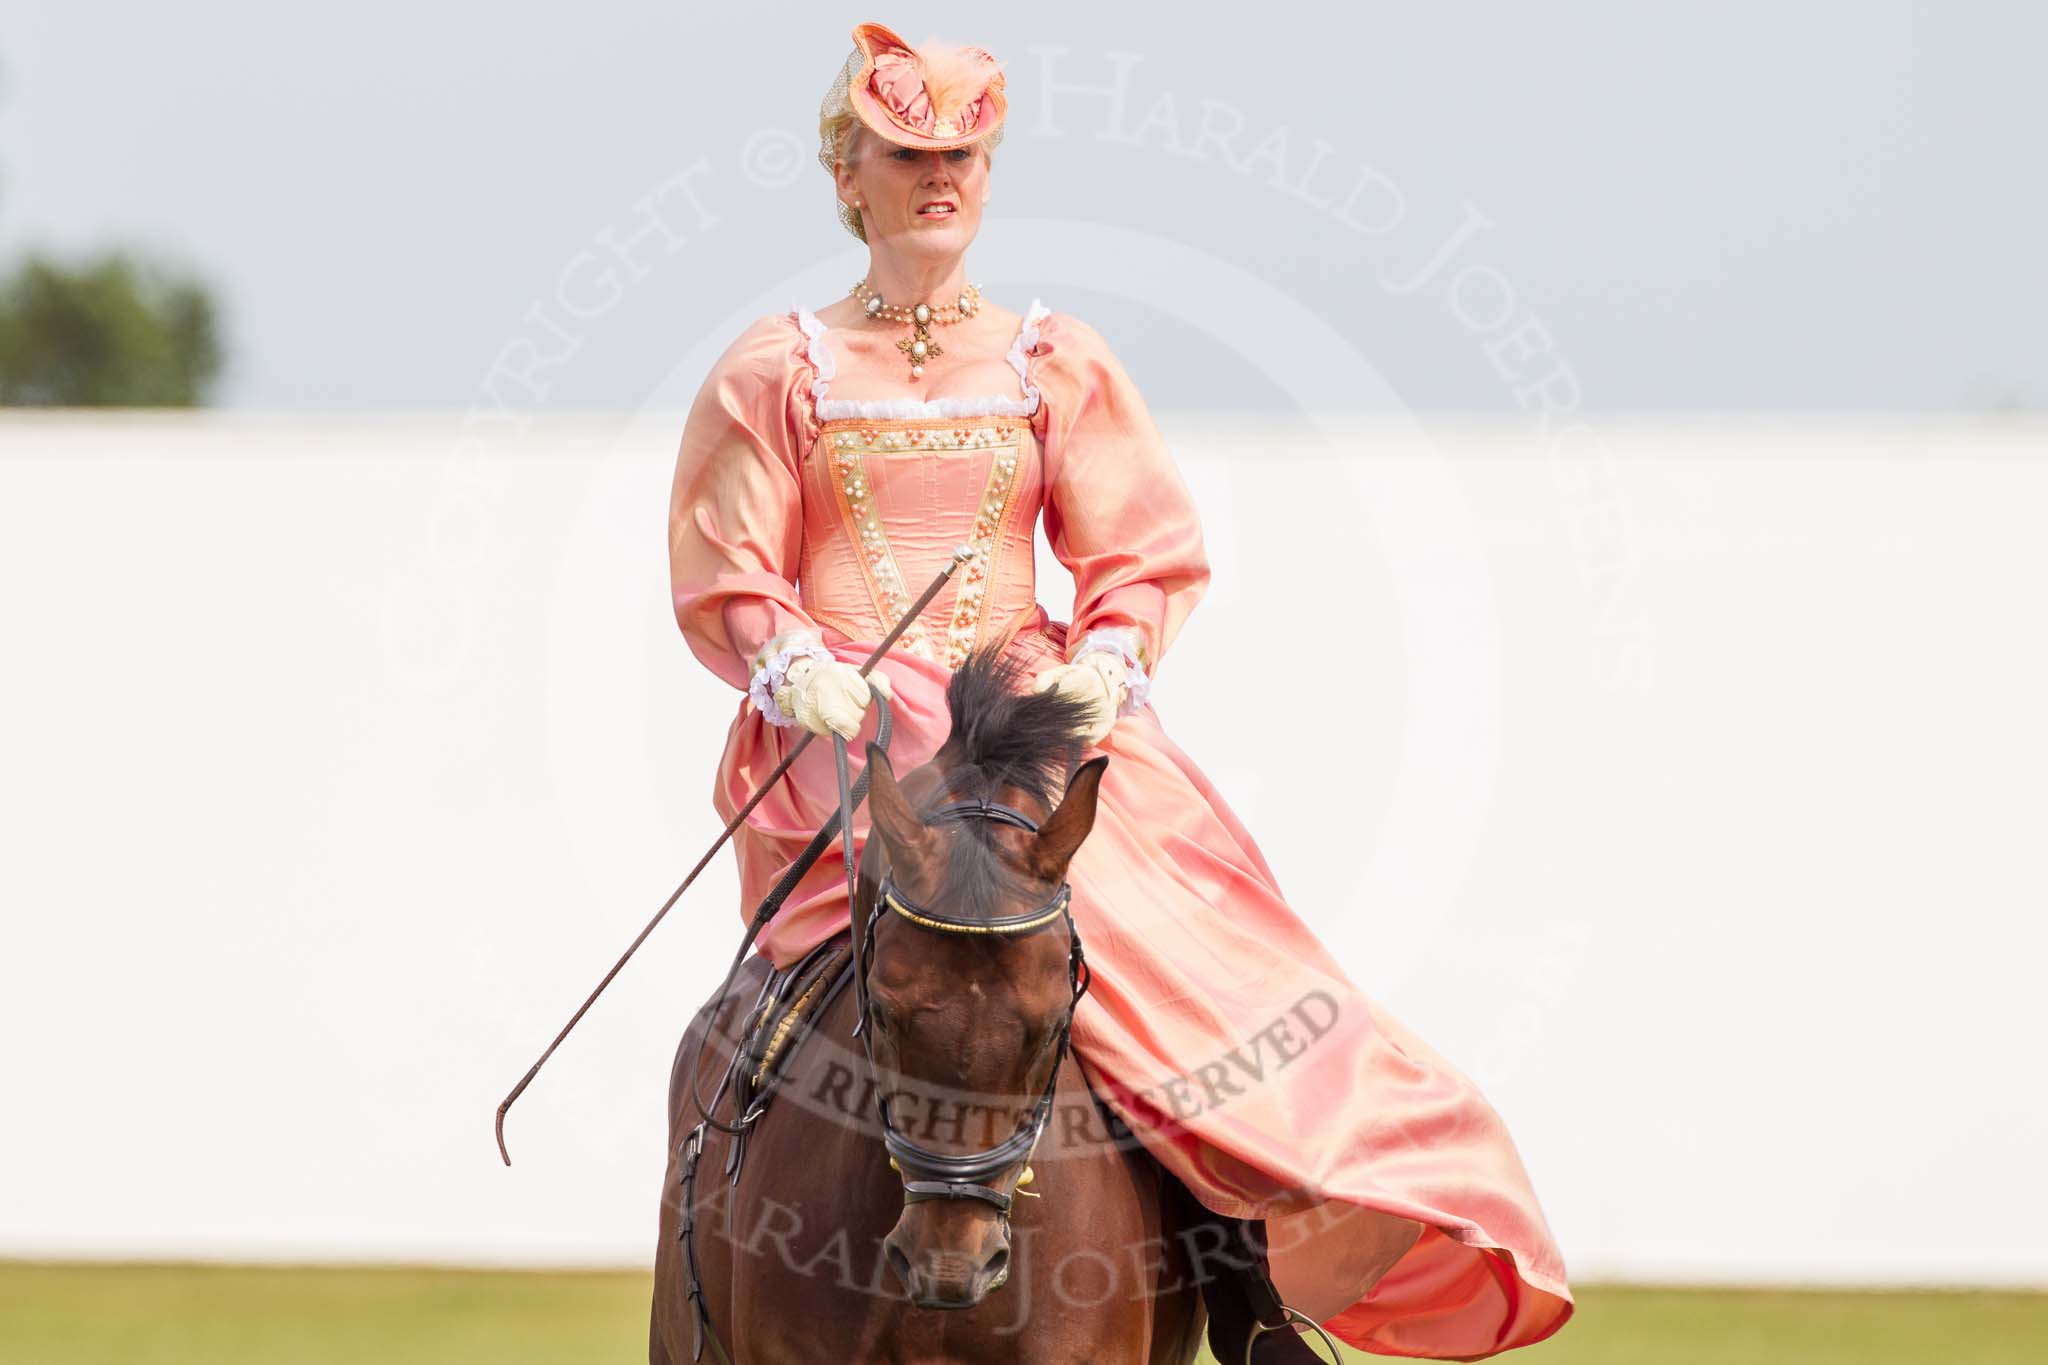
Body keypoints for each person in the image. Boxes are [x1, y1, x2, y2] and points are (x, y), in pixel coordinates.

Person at [668, 21, 1572, 1359]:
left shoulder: (1053, 359)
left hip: (1019, 722)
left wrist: (1107, 660)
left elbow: (1136, 553)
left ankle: (1236, 1276)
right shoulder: (775, 367)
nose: (942, 176)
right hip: (845, 731)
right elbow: (730, 558)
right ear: (846, 171)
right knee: (736, 1027)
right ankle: (703, 1247)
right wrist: (792, 658)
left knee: (1198, 972)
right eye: (911, 152)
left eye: (965, 153)